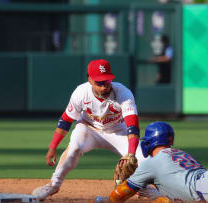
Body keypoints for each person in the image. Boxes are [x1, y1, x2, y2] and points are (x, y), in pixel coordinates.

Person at [32, 59, 145, 201]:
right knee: (74, 148)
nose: (104, 86)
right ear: (90, 80)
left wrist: (131, 153)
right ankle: (53, 185)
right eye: (99, 82)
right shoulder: (81, 92)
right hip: (89, 128)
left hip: (118, 131)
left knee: (144, 159)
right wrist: (52, 147)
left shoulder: (123, 93)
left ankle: (142, 189)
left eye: (107, 81)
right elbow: (66, 121)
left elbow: (133, 126)